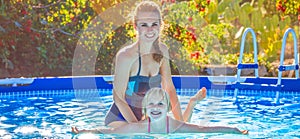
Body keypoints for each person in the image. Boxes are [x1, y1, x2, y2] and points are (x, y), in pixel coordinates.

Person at [104, 0, 207, 128]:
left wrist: (180, 125)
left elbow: (169, 89)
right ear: (135, 26)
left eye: (154, 24)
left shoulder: (162, 51)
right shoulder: (126, 56)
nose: (150, 29)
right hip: (120, 120)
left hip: (147, 120)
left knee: (179, 129)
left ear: (160, 25)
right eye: (144, 25)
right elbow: (118, 98)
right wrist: (138, 127)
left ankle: (191, 103)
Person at [72, 88, 248, 134]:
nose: (156, 108)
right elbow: (111, 132)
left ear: (167, 108)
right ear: (146, 109)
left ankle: (192, 103)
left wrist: (232, 130)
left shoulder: (172, 124)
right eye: (152, 105)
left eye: (160, 105)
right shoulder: (141, 127)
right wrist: (84, 131)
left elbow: (201, 129)